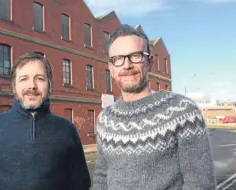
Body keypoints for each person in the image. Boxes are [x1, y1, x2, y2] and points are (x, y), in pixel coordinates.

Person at [92, 25, 216, 189]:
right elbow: (101, 177)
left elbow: (200, 183)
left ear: (149, 62)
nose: (127, 65)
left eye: (135, 56)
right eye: (118, 58)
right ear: (111, 68)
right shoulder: (105, 119)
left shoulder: (183, 111)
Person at [0, 53, 91, 190]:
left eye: (40, 78)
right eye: (24, 79)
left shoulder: (67, 130)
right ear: (14, 87)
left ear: (49, 85)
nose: (32, 85)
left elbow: (81, 184)